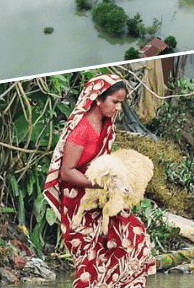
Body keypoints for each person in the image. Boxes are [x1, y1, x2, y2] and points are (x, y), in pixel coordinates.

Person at [44, 74, 156, 288]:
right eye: (115, 102)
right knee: (90, 260)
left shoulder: (106, 126)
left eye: (121, 103)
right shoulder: (82, 131)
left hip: (101, 198)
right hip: (78, 204)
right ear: (97, 99)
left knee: (133, 235)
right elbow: (66, 172)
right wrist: (100, 184)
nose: (118, 108)